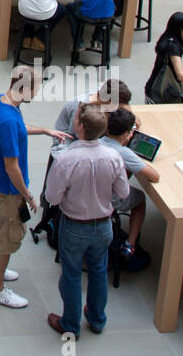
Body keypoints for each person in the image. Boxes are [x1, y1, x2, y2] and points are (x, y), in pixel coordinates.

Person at [0, 64, 67, 308]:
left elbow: (18, 129)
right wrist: (28, 196)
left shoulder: (1, 102)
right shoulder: (8, 120)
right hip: (9, 191)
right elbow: (13, 167)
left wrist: (44, 130)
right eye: (36, 89)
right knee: (8, 236)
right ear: (25, 87)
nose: (37, 93)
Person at [44, 104, 129, 339]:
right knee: (99, 270)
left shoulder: (67, 159)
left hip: (74, 225)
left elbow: (51, 197)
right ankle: (97, 318)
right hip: (103, 225)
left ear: (80, 127)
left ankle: (70, 325)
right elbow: (122, 192)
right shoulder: (114, 156)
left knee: (71, 274)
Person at [102, 105, 160, 261]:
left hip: (87, 195)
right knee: (140, 198)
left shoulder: (98, 140)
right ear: (127, 134)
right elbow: (154, 176)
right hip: (107, 200)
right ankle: (130, 245)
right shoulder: (124, 153)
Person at [145, 11, 183, 103]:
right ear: (178, 29)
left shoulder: (167, 39)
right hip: (160, 91)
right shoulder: (172, 47)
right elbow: (180, 75)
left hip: (155, 86)